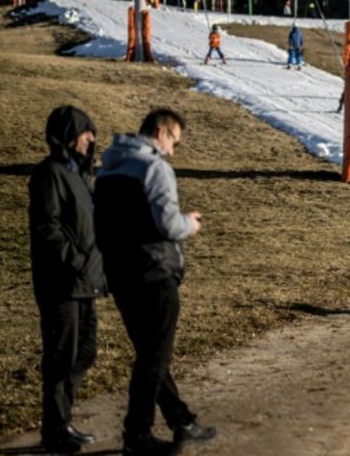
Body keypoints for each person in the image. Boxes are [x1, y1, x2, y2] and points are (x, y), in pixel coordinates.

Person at [94, 110, 216, 455]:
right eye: (173, 141)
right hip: (154, 271)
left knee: (150, 353)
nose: (173, 151)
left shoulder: (108, 169)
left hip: (119, 273)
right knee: (154, 357)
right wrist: (189, 224)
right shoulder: (155, 168)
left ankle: (182, 421)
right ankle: (137, 435)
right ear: (160, 131)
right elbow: (167, 225)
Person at [28, 106, 107, 454]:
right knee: (61, 356)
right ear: (67, 135)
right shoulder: (50, 174)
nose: (91, 138)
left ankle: (62, 420)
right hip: (61, 282)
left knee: (84, 353)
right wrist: (75, 262)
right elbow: (48, 228)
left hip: (85, 280)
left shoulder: (80, 174)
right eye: (85, 132)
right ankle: (55, 429)